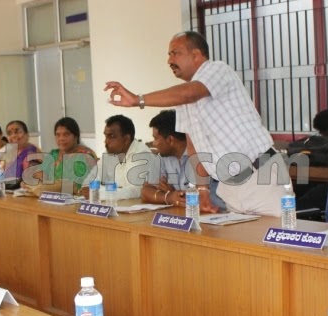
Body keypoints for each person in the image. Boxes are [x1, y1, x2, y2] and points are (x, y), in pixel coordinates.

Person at [105, 31, 279, 215]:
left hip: (259, 174)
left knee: (275, 233)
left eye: (175, 53)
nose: (169, 60)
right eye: (169, 55)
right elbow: (194, 148)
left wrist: (137, 100)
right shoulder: (183, 100)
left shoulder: (217, 69)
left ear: (196, 55)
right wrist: (202, 190)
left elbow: (189, 93)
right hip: (229, 187)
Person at [89, 115, 151, 200]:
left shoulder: (141, 154)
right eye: (106, 136)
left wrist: (97, 193)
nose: (106, 141)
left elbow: (136, 191)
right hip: (117, 204)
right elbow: (92, 178)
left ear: (126, 139)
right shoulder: (109, 153)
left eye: (111, 137)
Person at [141, 110, 189, 206]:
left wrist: (175, 193)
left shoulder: (198, 156)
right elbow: (145, 191)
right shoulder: (163, 157)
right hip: (178, 212)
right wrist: (169, 197)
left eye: (155, 138)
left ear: (170, 140)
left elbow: (198, 197)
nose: (153, 143)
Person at [44, 117, 97, 194]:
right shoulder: (53, 154)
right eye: (58, 135)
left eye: (66, 134)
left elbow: (75, 185)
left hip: (77, 198)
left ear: (76, 136)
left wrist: (45, 187)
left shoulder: (84, 156)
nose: (61, 138)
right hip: (51, 196)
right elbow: (39, 176)